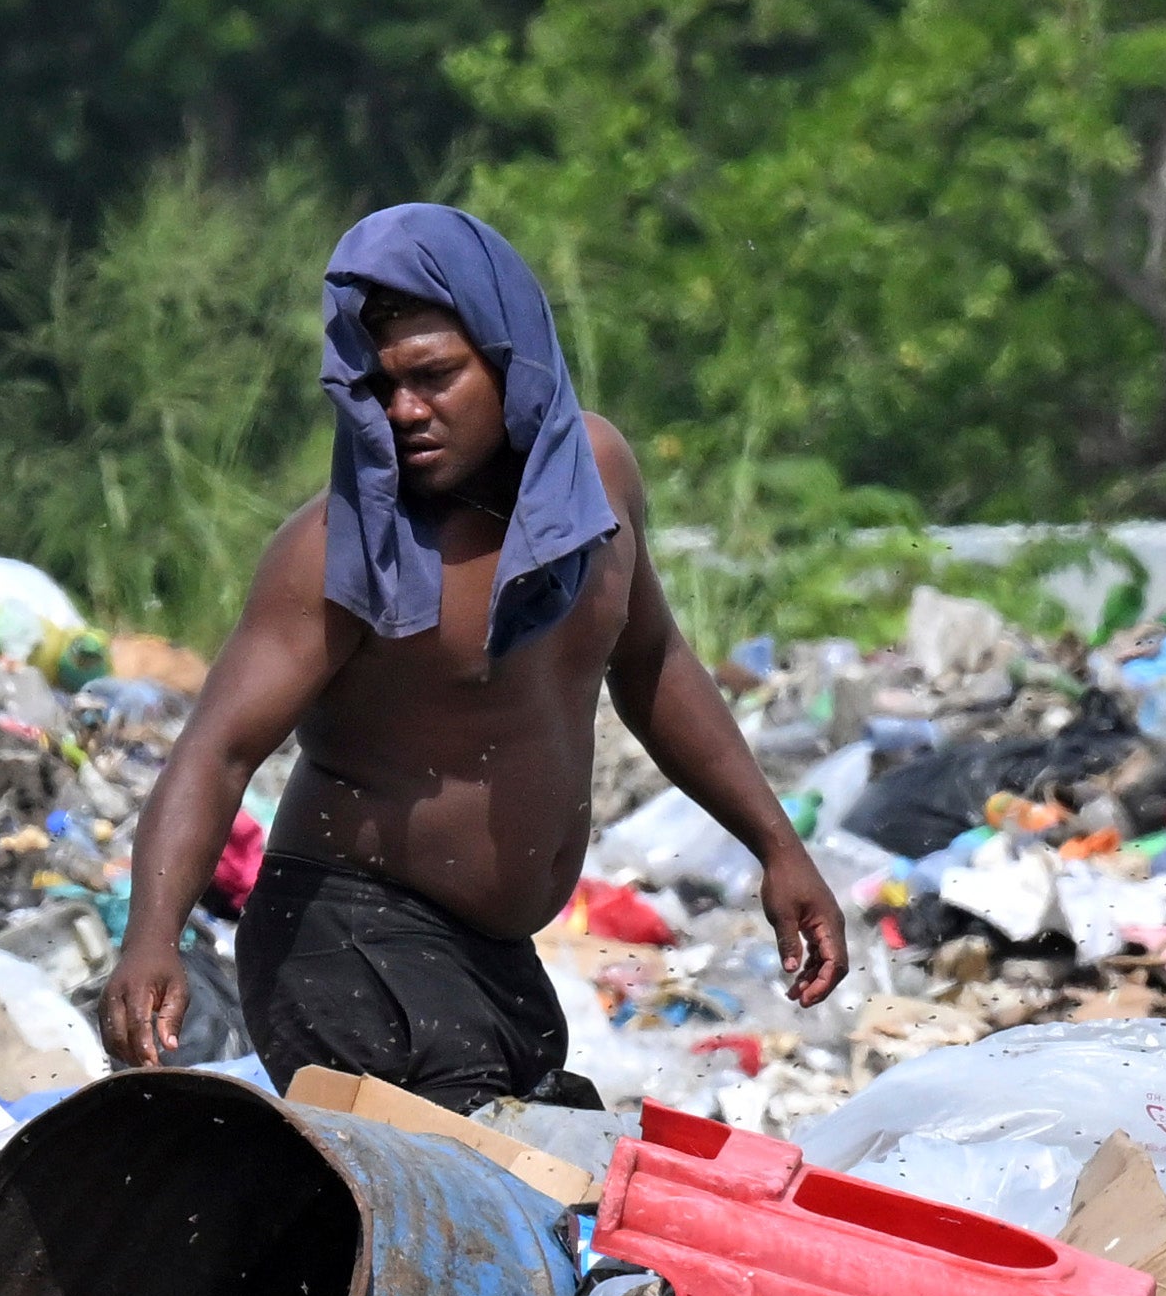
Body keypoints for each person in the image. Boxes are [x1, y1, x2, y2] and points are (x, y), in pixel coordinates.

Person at [102, 204, 843, 1105]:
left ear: (508, 357)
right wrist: (153, 938)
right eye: (378, 386)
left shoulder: (599, 479)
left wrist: (778, 850)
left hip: (490, 957)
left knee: (559, 1158)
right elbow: (216, 751)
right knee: (486, 1170)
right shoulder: (338, 550)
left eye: (435, 376)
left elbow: (651, 663)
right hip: (348, 940)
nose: (405, 411)